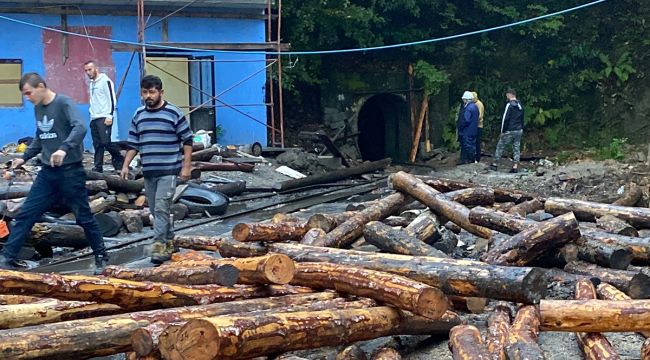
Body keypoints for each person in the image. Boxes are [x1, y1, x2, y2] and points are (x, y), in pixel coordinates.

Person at [0, 73, 109, 273]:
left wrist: (63, 148)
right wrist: (23, 158)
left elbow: (81, 127)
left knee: (83, 217)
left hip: (70, 172)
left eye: (29, 93)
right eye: (24, 95)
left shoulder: (63, 103)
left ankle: (101, 255)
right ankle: (8, 259)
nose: (27, 98)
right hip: (47, 174)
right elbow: (40, 137)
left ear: (41, 86)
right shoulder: (38, 109)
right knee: (26, 214)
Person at [121, 75, 193, 264]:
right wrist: (126, 164)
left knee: (161, 208)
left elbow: (187, 140)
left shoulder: (173, 113)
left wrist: (186, 167)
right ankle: (170, 241)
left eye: (152, 92)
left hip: (169, 170)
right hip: (149, 171)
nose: (148, 96)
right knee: (155, 210)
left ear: (161, 92)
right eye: (145, 92)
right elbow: (133, 143)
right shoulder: (139, 115)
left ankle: (159, 247)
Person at [84, 60, 124, 173]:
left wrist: (110, 115)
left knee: (106, 142)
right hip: (94, 118)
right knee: (97, 144)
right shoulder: (92, 83)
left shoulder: (105, 81)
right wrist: (92, 116)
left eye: (90, 69)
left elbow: (112, 99)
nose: (88, 72)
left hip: (104, 116)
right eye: (86, 70)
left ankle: (120, 158)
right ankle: (98, 167)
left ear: (96, 69)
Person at [490, 88, 524, 173]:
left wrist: (502, 131)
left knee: (501, 145)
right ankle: (515, 166)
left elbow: (505, 119)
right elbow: (522, 118)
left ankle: (495, 164)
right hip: (519, 129)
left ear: (509, 95)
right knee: (516, 146)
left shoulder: (509, 105)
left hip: (510, 129)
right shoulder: (520, 105)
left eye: (507, 95)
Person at [457, 91, 479, 164]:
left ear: (466, 99)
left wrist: (460, 126)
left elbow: (466, 120)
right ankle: (466, 160)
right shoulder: (475, 106)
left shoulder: (468, 108)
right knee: (471, 144)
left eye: (464, 99)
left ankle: (471, 160)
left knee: (467, 145)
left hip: (467, 130)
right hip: (473, 129)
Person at [472, 91, 485, 162]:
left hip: (478, 126)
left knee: (477, 143)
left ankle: (477, 158)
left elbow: (479, 116)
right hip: (475, 126)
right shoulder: (474, 104)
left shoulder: (479, 104)